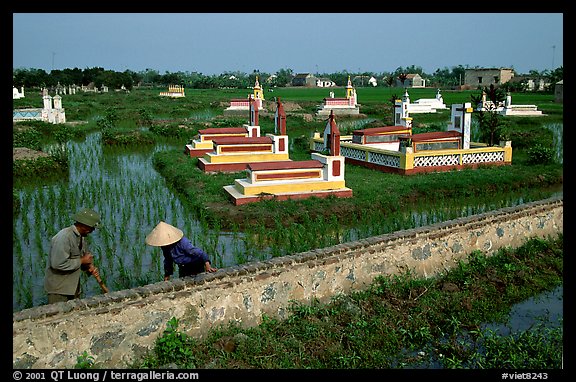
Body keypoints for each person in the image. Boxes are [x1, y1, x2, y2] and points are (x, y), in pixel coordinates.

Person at [44, 207, 102, 304]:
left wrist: (88, 267)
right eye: (91, 227)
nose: (92, 230)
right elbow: (58, 264)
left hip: (73, 287)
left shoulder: (81, 238)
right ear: (84, 225)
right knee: (60, 316)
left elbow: (79, 259)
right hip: (59, 290)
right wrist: (82, 261)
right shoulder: (64, 238)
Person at [145, 221, 217, 280]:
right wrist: (167, 275)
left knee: (198, 281)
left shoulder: (183, 243)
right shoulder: (165, 247)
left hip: (195, 264)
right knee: (183, 281)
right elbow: (168, 260)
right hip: (182, 267)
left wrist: (207, 265)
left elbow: (200, 253)